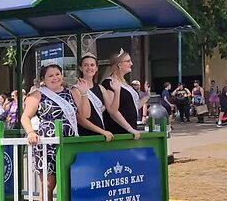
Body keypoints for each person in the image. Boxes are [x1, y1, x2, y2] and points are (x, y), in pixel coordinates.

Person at [21, 64, 89, 201]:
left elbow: (85, 114)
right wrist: (30, 132)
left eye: (57, 74)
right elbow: (25, 117)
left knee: (70, 183)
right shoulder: (38, 94)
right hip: (47, 146)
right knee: (48, 186)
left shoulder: (70, 92)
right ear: (43, 79)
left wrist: (84, 93)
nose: (55, 78)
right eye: (50, 75)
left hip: (69, 143)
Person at [74, 52, 132, 142]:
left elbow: (112, 110)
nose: (89, 68)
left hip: (101, 135)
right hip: (85, 135)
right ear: (81, 68)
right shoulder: (75, 89)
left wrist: (117, 91)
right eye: (86, 65)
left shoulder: (100, 88)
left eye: (92, 65)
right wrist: (102, 131)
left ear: (96, 68)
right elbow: (81, 118)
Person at [100, 49, 147, 136]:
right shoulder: (110, 83)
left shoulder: (125, 83)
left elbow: (132, 106)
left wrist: (146, 97)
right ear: (119, 65)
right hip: (118, 130)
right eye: (128, 61)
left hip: (130, 128)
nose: (131, 64)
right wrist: (129, 128)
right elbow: (112, 110)